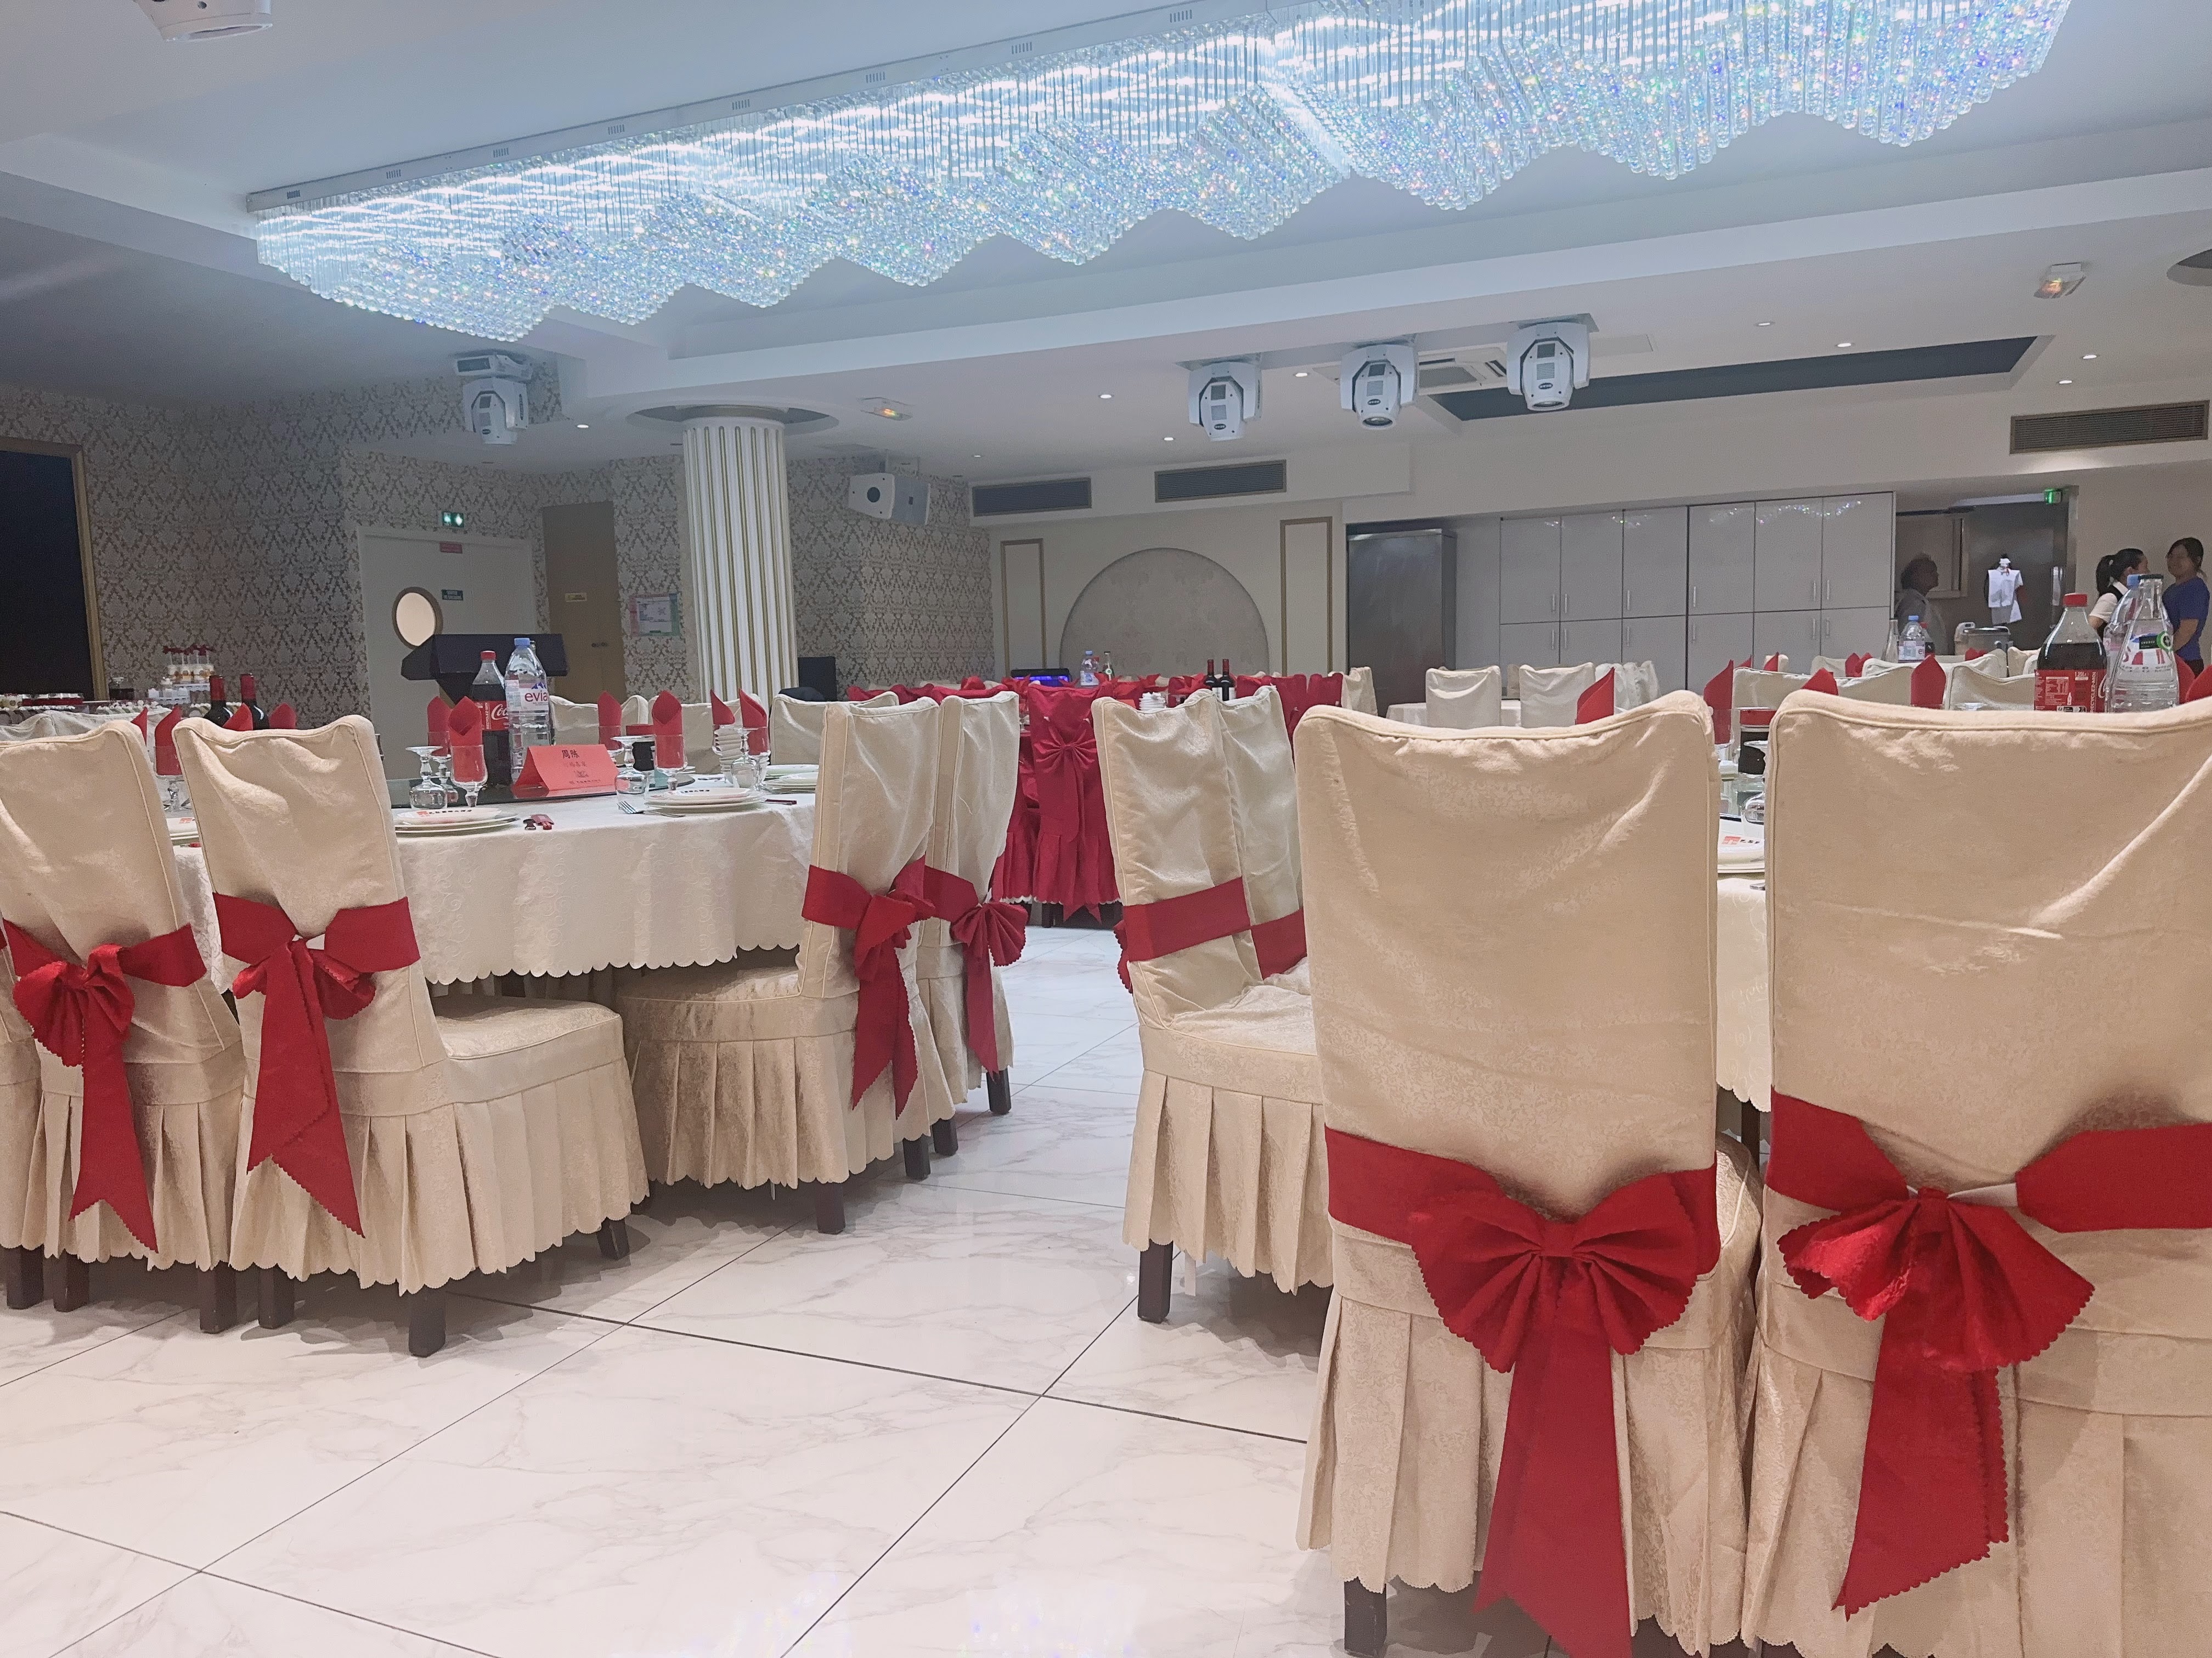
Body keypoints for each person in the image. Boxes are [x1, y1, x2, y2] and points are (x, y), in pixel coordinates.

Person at [2166, 537, 2208, 669]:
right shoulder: (2171, 590)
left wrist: (2164, 653)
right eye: (2171, 556)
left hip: (2185, 662)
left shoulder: (2195, 588)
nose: (2173, 561)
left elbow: (2186, 631)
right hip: (2174, 659)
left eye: (2180, 557)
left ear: (2197, 560)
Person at [2091, 548, 2148, 634]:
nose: (2148, 572)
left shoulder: (2132, 597)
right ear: (2130, 572)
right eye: (2145, 568)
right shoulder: (2111, 598)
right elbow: (2089, 628)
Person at [1895, 555, 1945, 642]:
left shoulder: (1918, 600)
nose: (1937, 575)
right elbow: (1906, 639)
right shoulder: (1913, 603)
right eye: (1931, 572)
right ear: (1917, 577)